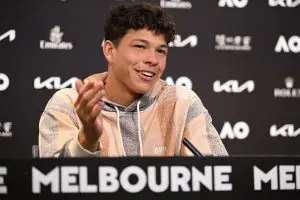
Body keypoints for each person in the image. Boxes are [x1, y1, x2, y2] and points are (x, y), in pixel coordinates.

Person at [38, 1, 228, 157]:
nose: (153, 60)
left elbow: (219, 177)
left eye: (161, 51)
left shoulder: (182, 103)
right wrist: (88, 137)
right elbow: (55, 184)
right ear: (110, 51)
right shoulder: (69, 104)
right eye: (139, 46)